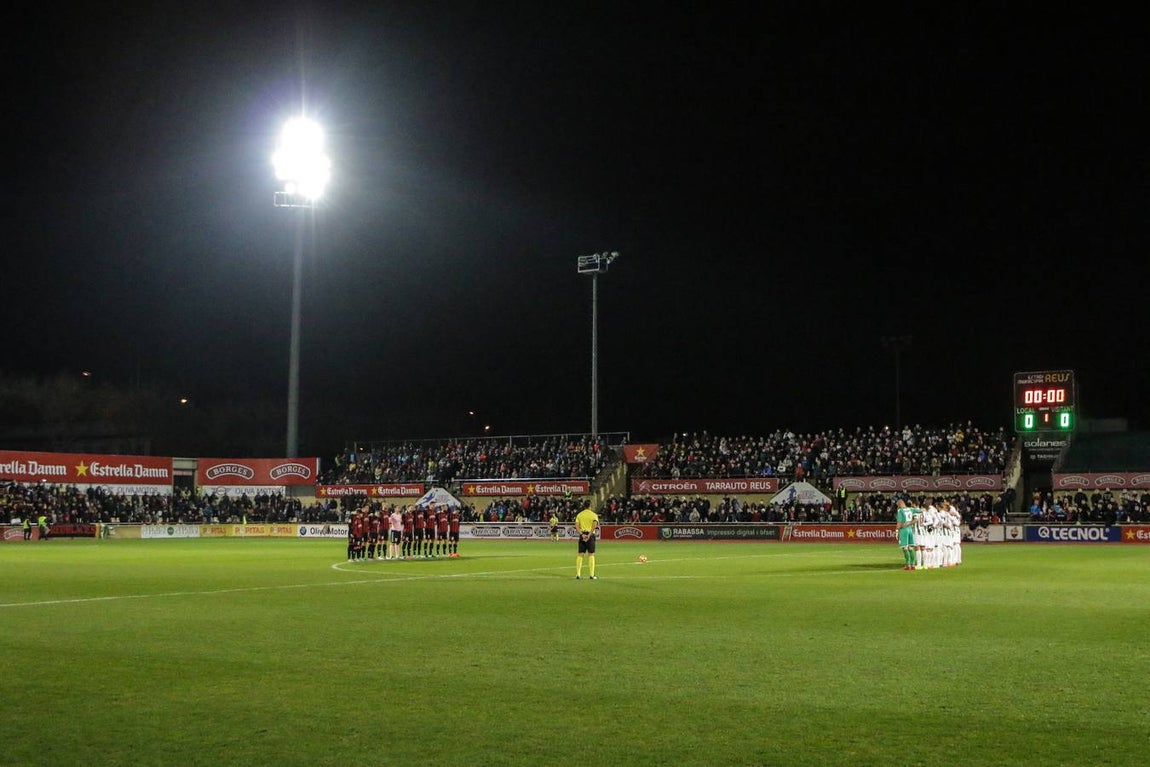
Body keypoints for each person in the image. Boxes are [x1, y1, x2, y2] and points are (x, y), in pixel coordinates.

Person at [574, 504, 600, 580]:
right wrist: (589, 535)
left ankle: (578, 574)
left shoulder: (579, 515)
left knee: (580, 554)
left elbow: (577, 526)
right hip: (590, 536)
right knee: (591, 554)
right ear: (590, 506)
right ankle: (592, 575)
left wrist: (582, 534)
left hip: (582, 535)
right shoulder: (593, 515)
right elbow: (594, 525)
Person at [895, 498, 916, 570]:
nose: (897, 507)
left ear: (900, 504)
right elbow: (916, 518)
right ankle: (913, 564)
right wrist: (909, 523)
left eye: (897, 505)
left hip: (904, 530)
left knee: (905, 547)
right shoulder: (911, 509)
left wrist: (897, 531)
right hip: (910, 529)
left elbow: (899, 523)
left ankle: (908, 565)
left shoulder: (900, 511)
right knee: (911, 547)